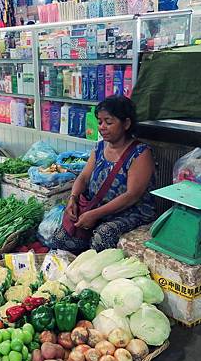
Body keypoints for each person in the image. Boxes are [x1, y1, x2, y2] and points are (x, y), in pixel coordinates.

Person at [50, 95, 157, 253]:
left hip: (130, 212)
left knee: (103, 236)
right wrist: (72, 199)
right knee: (61, 238)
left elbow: (131, 195)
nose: (102, 127)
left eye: (108, 122)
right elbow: (83, 177)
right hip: (97, 208)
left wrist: (94, 214)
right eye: (100, 122)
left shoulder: (141, 153)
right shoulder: (99, 147)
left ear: (126, 123)